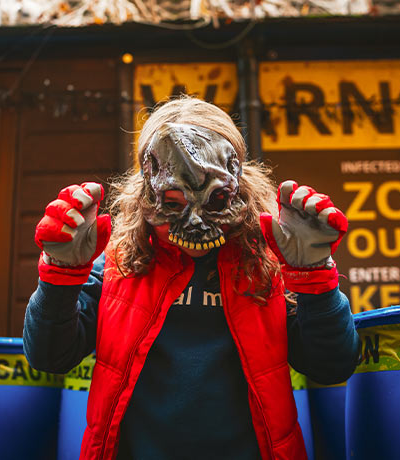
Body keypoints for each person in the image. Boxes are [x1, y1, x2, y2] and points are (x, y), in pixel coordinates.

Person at [23, 97, 360, 460]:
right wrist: (60, 275)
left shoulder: (272, 262)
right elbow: (48, 356)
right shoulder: (116, 265)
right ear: (147, 193)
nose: (195, 224)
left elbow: (332, 365)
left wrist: (313, 275)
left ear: (238, 187)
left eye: (215, 201)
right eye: (173, 202)